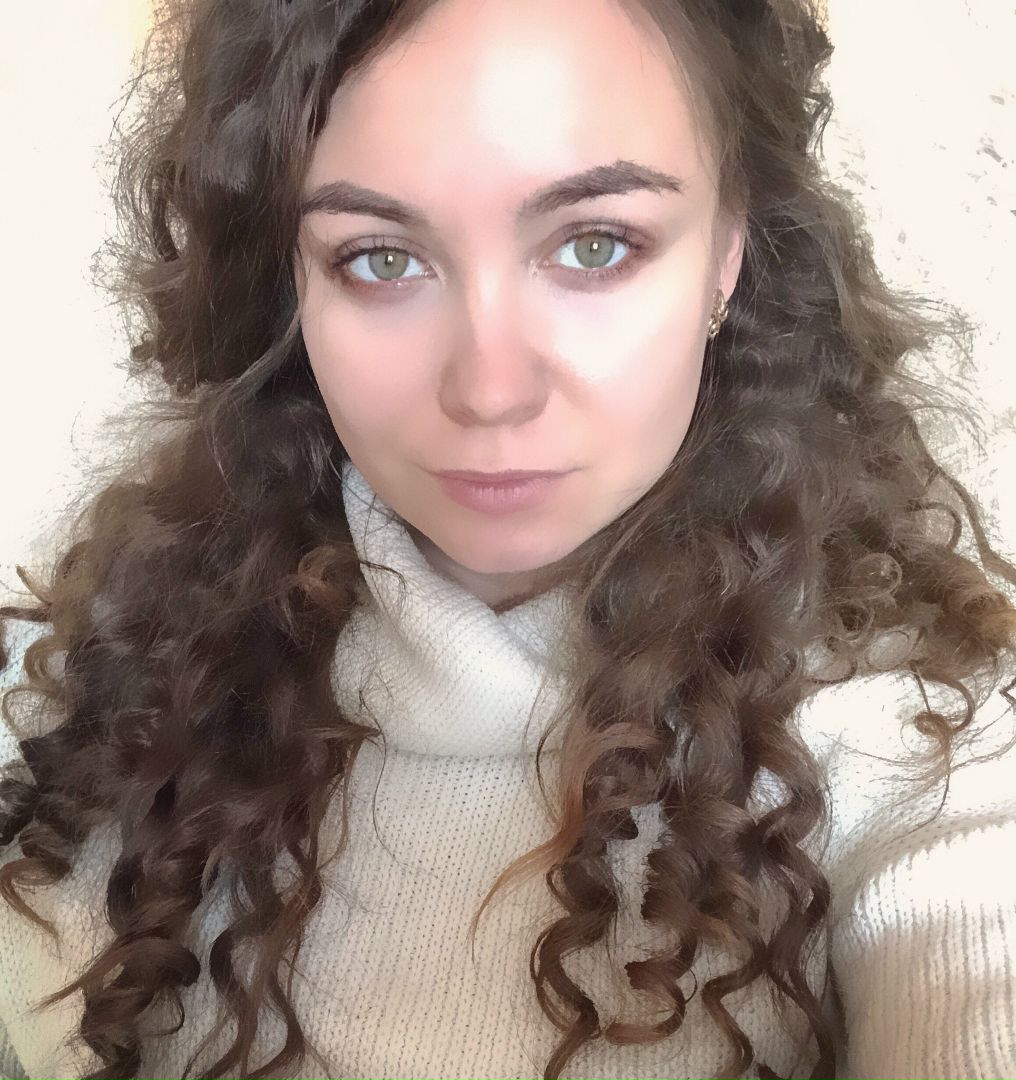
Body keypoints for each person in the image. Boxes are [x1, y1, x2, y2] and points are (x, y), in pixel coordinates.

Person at [1, 0, 1015, 1077]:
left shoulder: (922, 748)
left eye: (595, 245)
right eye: (379, 259)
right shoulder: (97, 699)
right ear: (291, 281)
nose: (489, 389)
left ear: (726, 254)